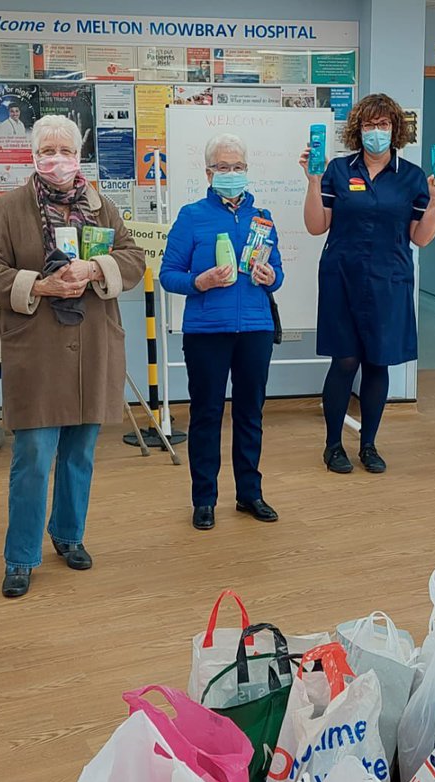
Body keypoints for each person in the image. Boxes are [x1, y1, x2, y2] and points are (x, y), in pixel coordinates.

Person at [0, 114, 144, 598]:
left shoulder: (101, 205)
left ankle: (69, 534)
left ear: (79, 153)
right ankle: (21, 556)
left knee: (80, 453)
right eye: (48, 150)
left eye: (65, 150)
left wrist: (96, 267)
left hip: (92, 345)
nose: (57, 159)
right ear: (33, 156)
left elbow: (132, 259)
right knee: (32, 456)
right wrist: (39, 285)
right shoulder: (8, 209)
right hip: (39, 347)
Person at [302, 93, 435, 474]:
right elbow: (316, 226)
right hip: (342, 277)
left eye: (383, 125)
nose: (376, 132)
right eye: (369, 125)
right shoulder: (336, 169)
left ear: (395, 129)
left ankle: (368, 444)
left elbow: (421, 238)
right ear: (358, 129)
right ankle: (333, 445)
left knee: (377, 361)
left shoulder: (414, 176)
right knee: (345, 359)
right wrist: (313, 182)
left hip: (389, 280)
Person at [160, 134, 284, 530]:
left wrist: (270, 276)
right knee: (207, 414)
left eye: (239, 167)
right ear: (209, 172)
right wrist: (201, 282)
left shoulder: (261, 217)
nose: (232, 174)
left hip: (255, 328)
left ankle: (250, 493)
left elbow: (277, 274)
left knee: (251, 413)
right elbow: (168, 275)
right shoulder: (191, 216)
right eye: (224, 167)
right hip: (206, 331)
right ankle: (204, 499)